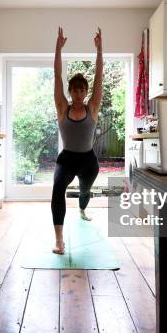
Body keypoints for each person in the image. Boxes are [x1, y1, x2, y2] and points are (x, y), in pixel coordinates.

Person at [50, 26, 103, 255]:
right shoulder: (63, 107)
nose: (79, 94)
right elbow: (57, 75)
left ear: (86, 92)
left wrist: (100, 49)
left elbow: (100, 75)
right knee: (57, 189)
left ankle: (82, 209)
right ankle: (59, 241)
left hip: (88, 160)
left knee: (84, 192)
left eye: (82, 90)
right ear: (70, 92)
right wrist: (58, 48)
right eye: (75, 90)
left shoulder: (93, 107)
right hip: (67, 159)